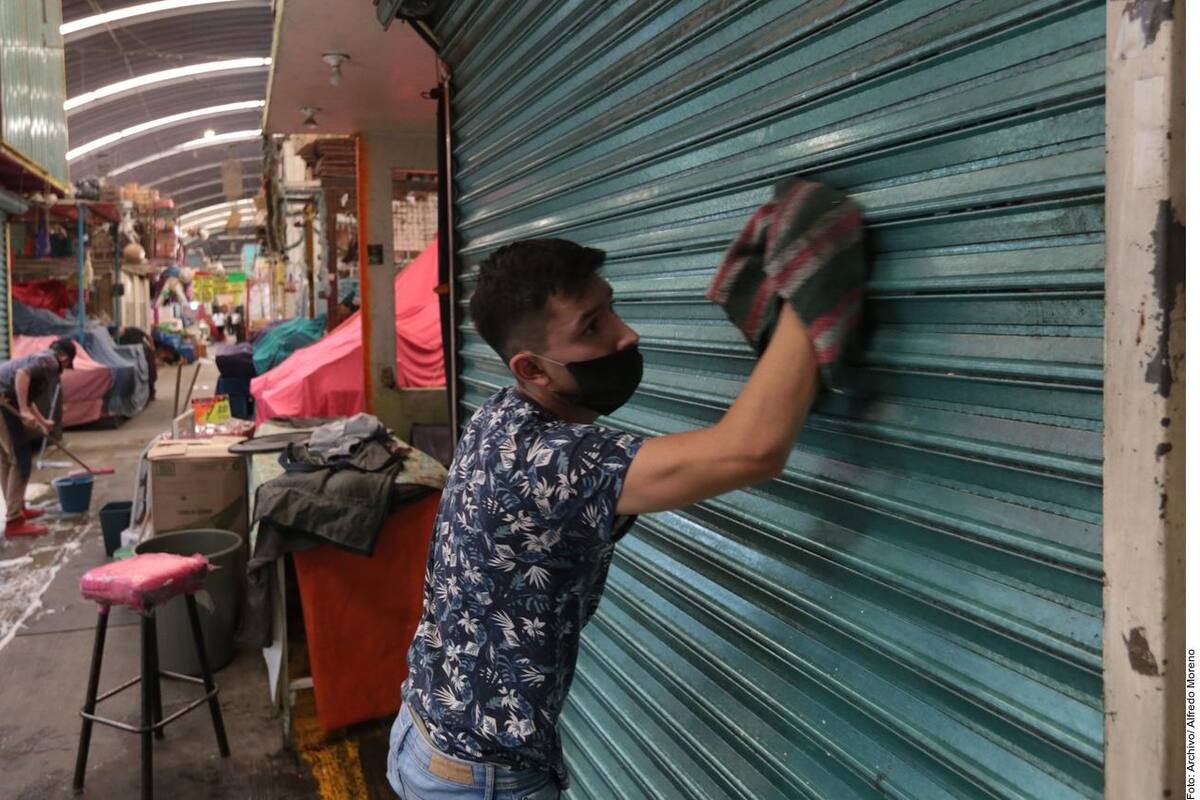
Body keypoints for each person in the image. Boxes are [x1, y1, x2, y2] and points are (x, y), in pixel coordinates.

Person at [388, 239, 821, 799]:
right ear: (533, 369)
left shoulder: (499, 413)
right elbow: (751, 451)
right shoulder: (550, 462)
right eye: (592, 327)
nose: (626, 335)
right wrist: (810, 300)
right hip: (480, 778)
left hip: (423, 733)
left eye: (611, 307)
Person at [0, 338, 76, 537]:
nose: (65, 369)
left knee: (6, 460)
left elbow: (28, 394)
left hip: (6, 400)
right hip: (3, 403)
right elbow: (21, 375)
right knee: (21, 459)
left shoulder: (41, 359)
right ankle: (14, 521)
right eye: (68, 365)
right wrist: (23, 410)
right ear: (64, 357)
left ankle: (16, 507)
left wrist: (42, 421)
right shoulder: (49, 362)